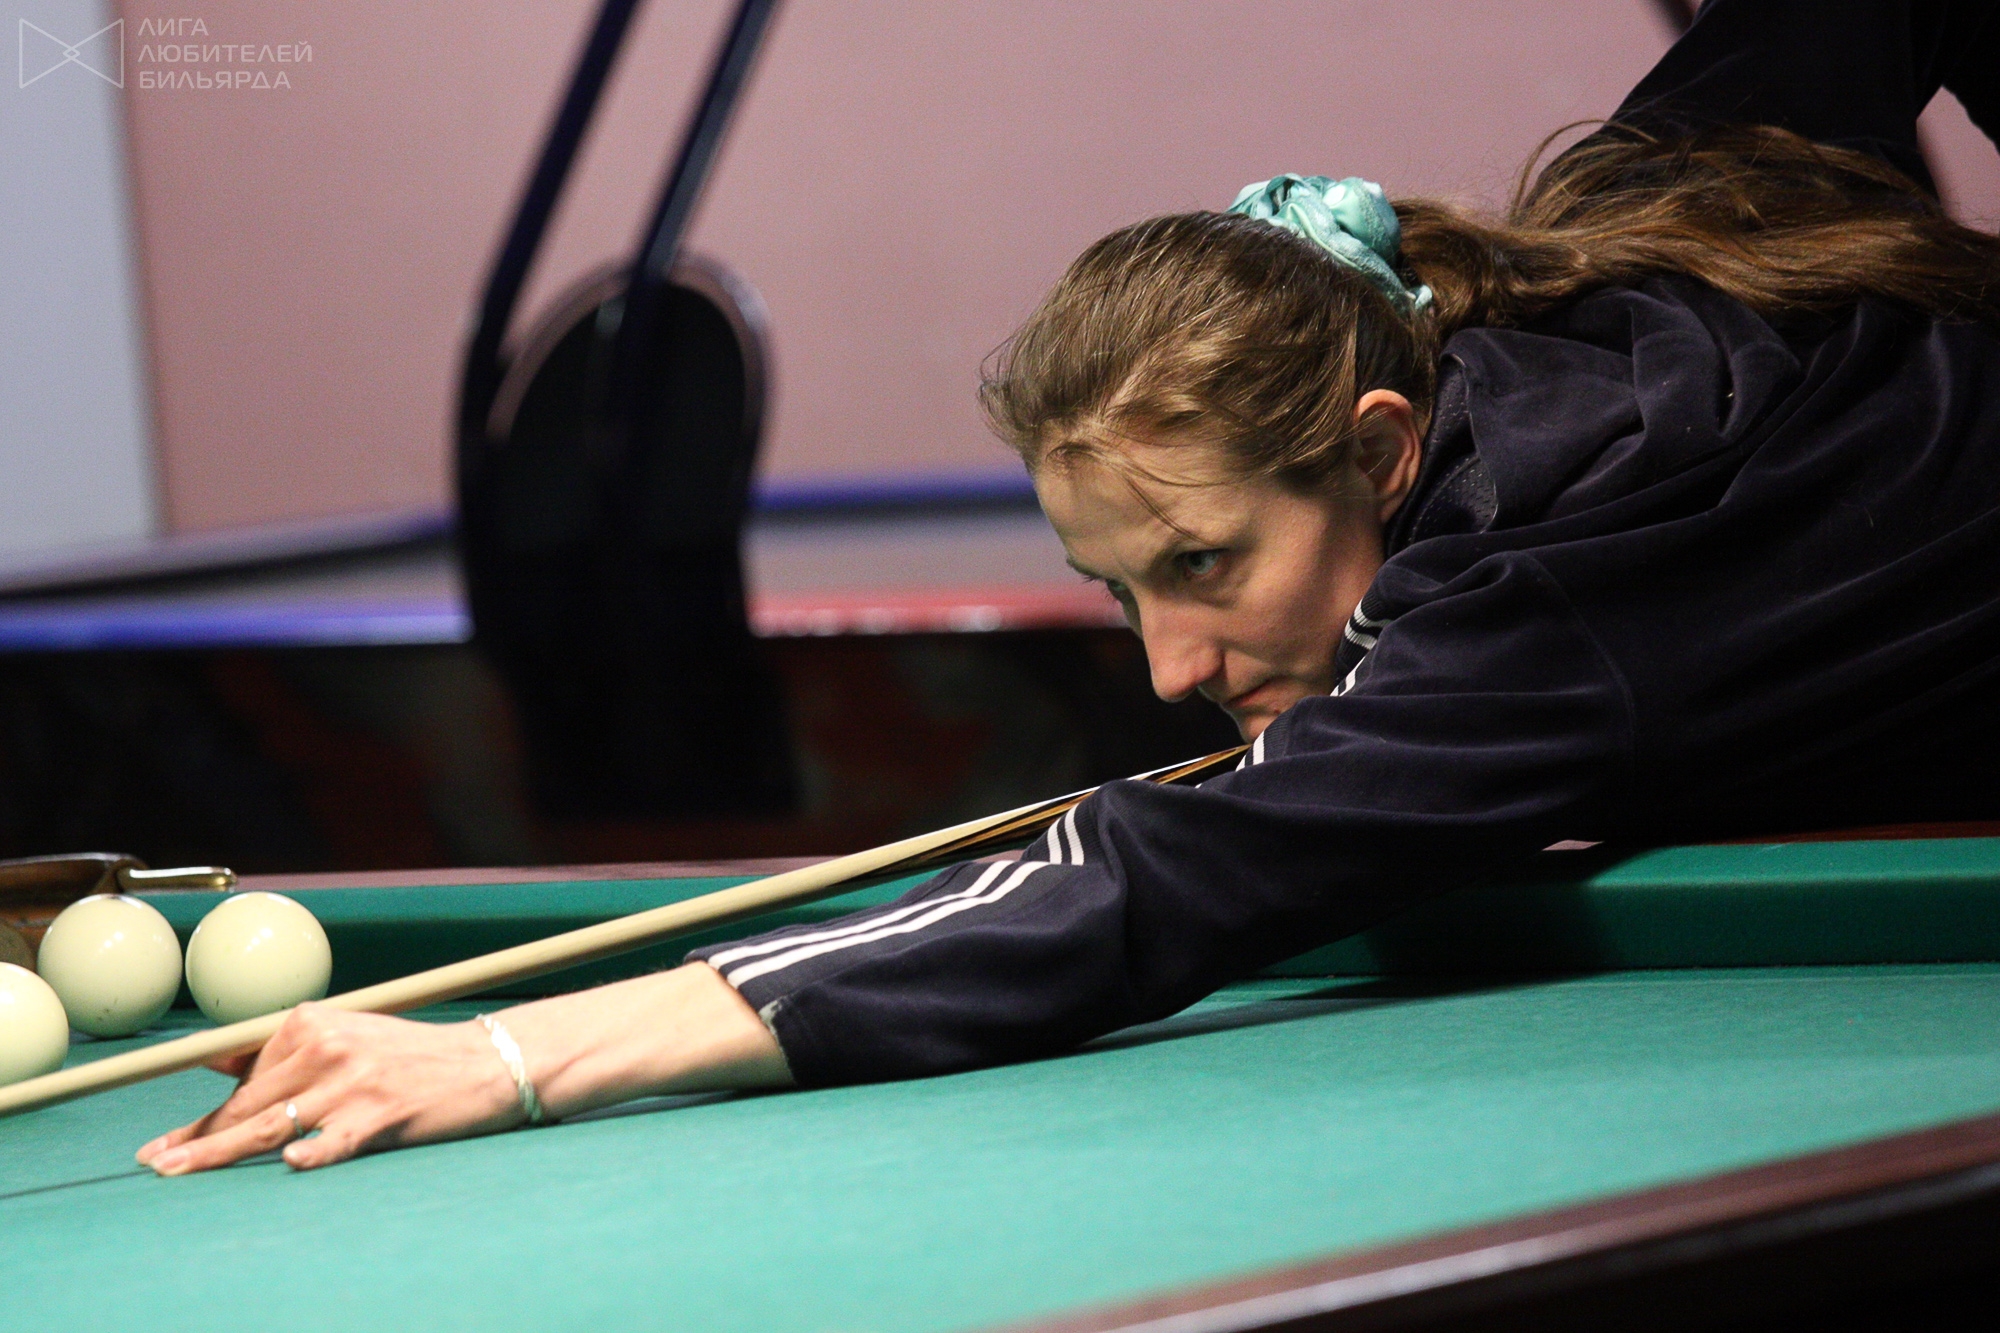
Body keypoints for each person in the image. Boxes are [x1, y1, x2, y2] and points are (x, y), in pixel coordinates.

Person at [138, 0, 2000, 1175]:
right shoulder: (1625, 222)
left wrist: (508, 1052)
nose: (1174, 665)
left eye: (1205, 563)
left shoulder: (1544, 618)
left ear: (1376, 448)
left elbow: (1145, 881)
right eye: (1123, 593)